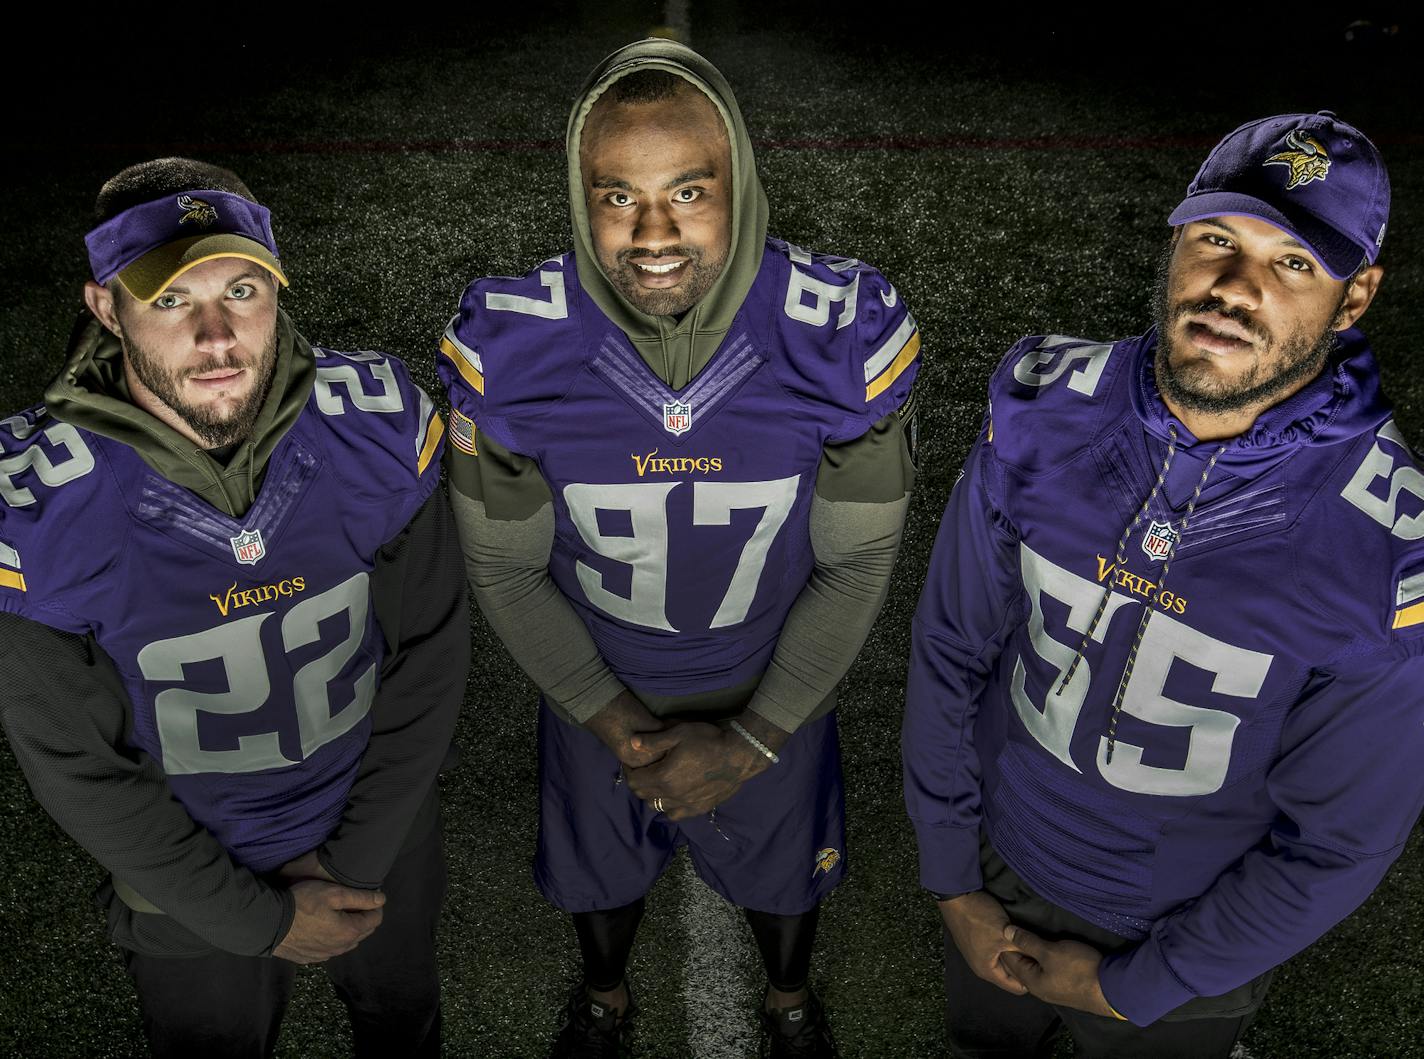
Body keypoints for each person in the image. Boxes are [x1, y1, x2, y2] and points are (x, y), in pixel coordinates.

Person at [903, 111, 1424, 1058]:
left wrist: (1137, 983)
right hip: (1000, 870)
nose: (1234, 288)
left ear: (1356, 300)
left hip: (1180, 931)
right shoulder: (1039, 407)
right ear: (1178, 242)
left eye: (1293, 263)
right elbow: (951, 646)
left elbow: (1338, 843)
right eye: (1217, 241)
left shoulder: (1388, 552)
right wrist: (952, 880)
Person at [438, 39, 920, 1059]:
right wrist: (614, 722)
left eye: (687, 191)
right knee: (595, 876)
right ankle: (605, 998)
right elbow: (505, 569)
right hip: (593, 686)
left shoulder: (837, 333)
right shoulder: (511, 347)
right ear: (579, 195)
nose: (651, 233)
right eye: (616, 197)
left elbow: (856, 562)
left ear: (737, 181)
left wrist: (754, 736)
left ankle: (788, 1001)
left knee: (786, 878)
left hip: (773, 680)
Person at [0, 158, 469, 1058]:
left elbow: (431, 654)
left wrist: (354, 860)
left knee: (405, 1026)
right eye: (171, 300)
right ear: (106, 306)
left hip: (379, 839)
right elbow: (76, 763)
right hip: (185, 891)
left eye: (242, 289)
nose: (218, 337)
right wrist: (258, 918)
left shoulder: (370, 425)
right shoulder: (39, 503)